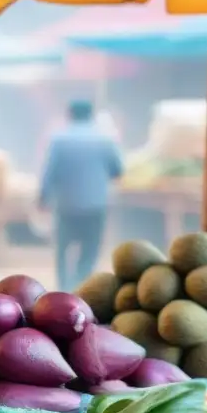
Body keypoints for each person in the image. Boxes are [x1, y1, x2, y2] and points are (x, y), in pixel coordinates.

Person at [39, 99, 124, 292]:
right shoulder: (105, 139)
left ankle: (62, 290)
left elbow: (49, 172)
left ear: (69, 114)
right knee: (90, 249)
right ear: (92, 115)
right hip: (96, 205)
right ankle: (81, 287)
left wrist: (43, 198)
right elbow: (118, 170)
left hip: (66, 204)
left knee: (62, 249)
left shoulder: (59, 140)